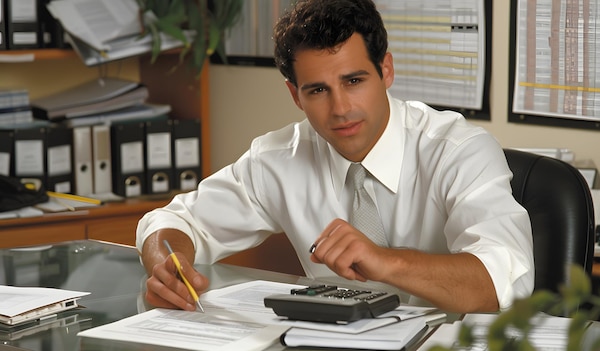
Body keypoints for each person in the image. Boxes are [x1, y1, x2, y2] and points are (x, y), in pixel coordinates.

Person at [136, 0, 534, 314]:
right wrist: (168, 265)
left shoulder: (459, 151)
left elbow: (503, 279)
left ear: (386, 70)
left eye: (354, 81)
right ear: (296, 95)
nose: (341, 109)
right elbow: (171, 221)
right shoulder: (279, 158)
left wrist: (385, 262)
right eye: (318, 90)